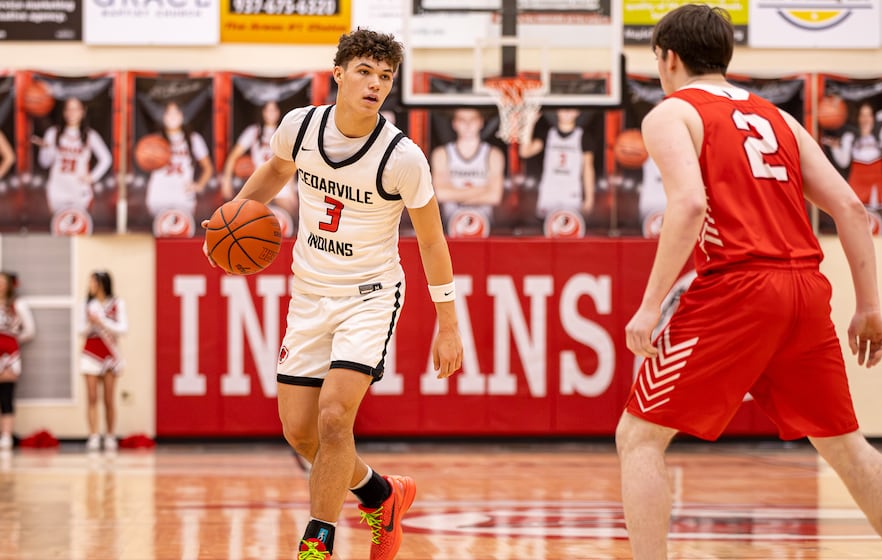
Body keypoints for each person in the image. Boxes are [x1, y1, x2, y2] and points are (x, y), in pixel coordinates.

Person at [616, 6, 882, 560]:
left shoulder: (671, 113)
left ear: (667, 57)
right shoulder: (779, 118)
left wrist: (649, 305)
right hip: (806, 288)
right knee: (846, 447)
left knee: (638, 438)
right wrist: (869, 307)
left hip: (737, 287)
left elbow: (689, 206)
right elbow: (852, 208)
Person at [202, 28, 462, 560]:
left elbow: (432, 240)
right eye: (364, 72)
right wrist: (227, 220)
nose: (375, 84)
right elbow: (275, 171)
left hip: (370, 295)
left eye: (385, 77)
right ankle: (381, 494)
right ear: (338, 74)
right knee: (300, 433)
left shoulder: (402, 158)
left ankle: (317, 542)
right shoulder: (299, 128)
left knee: (334, 416)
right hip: (310, 293)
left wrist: (449, 323)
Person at [220, 100, 298, 236]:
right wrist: (226, 179)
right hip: (261, 180)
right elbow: (233, 156)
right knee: (250, 222)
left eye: (274, 110)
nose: (271, 113)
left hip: (283, 180)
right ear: (263, 113)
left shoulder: (285, 131)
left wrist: (291, 189)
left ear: (279, 113)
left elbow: (291, 161)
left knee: (292, 219)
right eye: (268, 110)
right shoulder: (253, 131)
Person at [430, 108, 504, 236]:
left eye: (473, 119)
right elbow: (440, 194)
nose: (468, 124)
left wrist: (456, 195)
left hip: (486, 227)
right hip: (449, 227)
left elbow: (495, 196)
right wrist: (483, 189)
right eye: (462, 120)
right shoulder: (441, 154)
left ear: (481, 122)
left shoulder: (493, 154)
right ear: (454, 123)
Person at [33, 97, 113, 217]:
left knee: (79, 228)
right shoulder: (53, 133)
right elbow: (44, 163)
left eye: (76, 109)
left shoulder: (90, 135)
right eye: (69, 109)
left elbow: (106, 159)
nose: (72, 113)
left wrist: (92, 177)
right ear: (64, 112)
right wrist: (46, 148)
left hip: (79, 190)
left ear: (83, 112)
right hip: (57, 189)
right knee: (59, 228)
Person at [145, 101, 213, 234]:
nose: (172, 116)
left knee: (182, 236)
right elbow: (144, 163)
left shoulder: (194, 139)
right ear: (163, 117)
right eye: (168, 113)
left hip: (183, 195)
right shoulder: (155, 140)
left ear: (182, 116)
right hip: (159, 194)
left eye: (175, 112)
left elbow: (208, 167)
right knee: (160, 237)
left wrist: (199, 185)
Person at [823, 100, 882, 210]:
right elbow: (843, 162)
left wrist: (878, 116)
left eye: (869, 115)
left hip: (875, 190)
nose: (866, 119)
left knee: (877, 221)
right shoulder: (850, 138)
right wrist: (836, 148)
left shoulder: (881, 137)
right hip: (857, 187)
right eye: (862, 115)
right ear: (858, 118)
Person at [81, 270, 128, 452]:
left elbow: (123, 329)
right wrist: (90, 323)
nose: (91, 286)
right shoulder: (86, 304)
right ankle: (93, 435)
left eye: (93, 282)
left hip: (110, 353)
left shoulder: (117, 303)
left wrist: (101, 322)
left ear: (102, 284)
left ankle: (110, 435)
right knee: (92, 397)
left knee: (109, 398)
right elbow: (80, 331)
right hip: (90, 352)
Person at [520, 108, 596, 219]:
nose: (567, 111)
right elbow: (525, 152)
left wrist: (589, 200)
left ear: (578, 112)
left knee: (569, 233)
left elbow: (588, 169)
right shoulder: (548, 134)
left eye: (571, 109)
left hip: (571, 194)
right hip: (549, 193)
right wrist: (529, 123)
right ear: (556, 111)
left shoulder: (584, 137)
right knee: (548, 231)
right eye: (563, 108)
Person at [0, 272, 35, 450]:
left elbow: (29, 330)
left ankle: (6, 436)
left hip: (8, 354)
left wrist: (12, 340)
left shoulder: (17, 304)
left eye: (2, 282)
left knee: (6, 395)